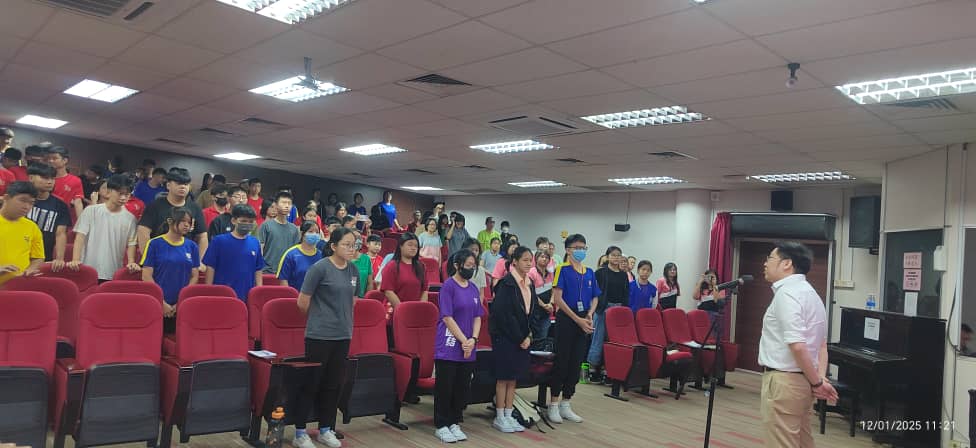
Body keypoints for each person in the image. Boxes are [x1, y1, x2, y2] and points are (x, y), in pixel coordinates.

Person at [759, 241, 838, 448]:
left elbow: (798, 346)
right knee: (803, 443)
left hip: (784, 382)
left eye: (769, 258)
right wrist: (819, 378)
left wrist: (818, 383)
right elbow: (821, 346)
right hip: (802, 383)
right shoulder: (812, 294)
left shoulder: (787, 294)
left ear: (787, 264)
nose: (765, 263)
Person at [294, 227, 361, 448]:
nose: (351, 249)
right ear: (333, 246)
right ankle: (300, 432)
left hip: (343, 335)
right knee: (311, 384)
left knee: (333, 385)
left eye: (354, 245)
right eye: (346, 245)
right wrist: (321, 319)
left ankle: (325, 429)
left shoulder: (353, 270)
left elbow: (353, 300)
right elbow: (302, 302)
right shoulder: (319, 268)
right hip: (319, 336)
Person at [432, 249, 484, 443]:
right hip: (450, 344)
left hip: (469, 345)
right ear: (457, 265)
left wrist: (473, 339)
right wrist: (464, 340)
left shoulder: (473, 288)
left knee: (462, 386)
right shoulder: (448, 286)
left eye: (473, 266)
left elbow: (478, 316)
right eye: (468, 265)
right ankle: (441, 424)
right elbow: (447, 317)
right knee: (445, 386)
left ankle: (454, 421)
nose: (471, 269)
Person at [548, 233, 599, 424]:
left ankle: (566, 402)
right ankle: (553, 403)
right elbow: (558, 299)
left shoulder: (590, 272)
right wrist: (577, 319)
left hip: (584, 319)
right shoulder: (561, 269)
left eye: (583, 248)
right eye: (577, 248)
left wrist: (589, 314)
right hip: (567, 319)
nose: (581, 251)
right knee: (562, 361)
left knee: (576, 362)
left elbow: (595, 296)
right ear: (568, 250)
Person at [490, 246, 535, 433]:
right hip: (506, 337)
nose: (529, 263)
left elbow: (531, 313)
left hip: (523, 337)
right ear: (514, 261)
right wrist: (519, 337)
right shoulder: (506, 283)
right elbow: (503, 315)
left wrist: (529, 335)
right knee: (503, 377)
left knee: (514, 377)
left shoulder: (530, 283)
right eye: (525, 260)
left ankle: (509, 414)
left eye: (530, 260)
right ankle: (500, 416)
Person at [141, 207, 200, 332]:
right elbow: (146, 275)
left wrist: (180, 302)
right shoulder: (154, 244)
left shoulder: (192, 246)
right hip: (157, 303)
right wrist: (162, 302)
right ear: (170, 221)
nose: (186, 225)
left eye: (189, 222)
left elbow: (194, 276)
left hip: (181, 305)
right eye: (183, 221)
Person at [70, 174, 139, 281]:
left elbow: (131, 244)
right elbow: (80, 237)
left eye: (127, 194)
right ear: (108, 192)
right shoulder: (91, 211)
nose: (123, 198)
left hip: (113, 270)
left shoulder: (130, 219)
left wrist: (131, 262)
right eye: (120, 193)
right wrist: (75, 259)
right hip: (88, 268)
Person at [137, 168, 208, 270]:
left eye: (186, 184)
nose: (183, 187)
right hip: (159, 259)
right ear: (168, 185)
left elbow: (203, 237)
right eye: (178, 183)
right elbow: (143, 232)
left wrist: (198, 262)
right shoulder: (155, 206)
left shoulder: (195, 208)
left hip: (184, 261)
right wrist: (149, 260)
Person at [203, 204, 265, 300]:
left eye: (250, 221)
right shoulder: (219, 241)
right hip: (221, 295)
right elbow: (210, 267)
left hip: (247, 295)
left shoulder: (255, 242)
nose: (247, 224)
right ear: (233, 221)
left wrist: (258, 292)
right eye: (243, 221)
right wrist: (209, 291)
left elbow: (258, 269)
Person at [588, 246, 630, 383]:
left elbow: (626, 293)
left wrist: (624, 309)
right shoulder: (600, 272)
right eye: (613, 255)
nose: (616, 257)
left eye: (618, 255)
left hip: (618, 309)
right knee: (598, 338)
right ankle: (593, 368)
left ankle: (608, 370)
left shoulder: (623, 274)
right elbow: (594, 292)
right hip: (602, 308)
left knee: (612, 341)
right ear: (607, 257)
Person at [25, 163, 69, 267]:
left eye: (52, 178)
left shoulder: (61, 205)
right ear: (31, 178)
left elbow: (60, 233)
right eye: (45, 178)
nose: (50, 182)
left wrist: (59, 258)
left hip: (43, 255)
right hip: (17, 252)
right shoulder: (20, 200)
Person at [0, 182, 44, 285]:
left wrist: (30, 270)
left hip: (19, 286)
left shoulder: (32, 227)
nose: (27, 207)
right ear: (6, 198)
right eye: (23, 200)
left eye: (31, 203)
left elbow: (38, 257)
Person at [380, 232, 428, 307]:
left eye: (416, 246)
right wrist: (403, 310)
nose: (413, 248)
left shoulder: (421, 266)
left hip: (415, 309)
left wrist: (420, 308)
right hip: (395, 309)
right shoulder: (391, 266)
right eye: (410, 245)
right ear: (400, 246)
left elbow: (424, 290)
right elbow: (388, 291)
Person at [259, 191, 301, 274]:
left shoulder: (294, 229)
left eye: (289, 203)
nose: (287, 206)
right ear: (276, 205)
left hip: (287, 272)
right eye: (283, 202)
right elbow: (260, 249)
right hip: (268, 271)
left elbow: (295, 252)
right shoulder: (266, 225)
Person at [277, 221, 324, 291]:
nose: (314, 234)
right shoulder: (290, 255)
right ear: (302, 234)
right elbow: (283, 280)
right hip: (295, 295)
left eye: (317, 232)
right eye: (310, 232)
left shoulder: (321, 255)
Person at [45, 146, 84, 223]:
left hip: (63, 219)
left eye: (54, 158)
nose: (50, 161)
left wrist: (81, 224)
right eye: (49, 158)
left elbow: (78, 203)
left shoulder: (75, 180)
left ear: (65, 160)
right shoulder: (44, 178)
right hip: (46, 216)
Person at [527, 250, 555, 339]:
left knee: (543, 336)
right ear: (536, 258)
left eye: (546, 257)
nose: (544, 259)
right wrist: (543, 305)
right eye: (542, 257)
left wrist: (551, 303)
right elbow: (531, 293)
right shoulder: (531, 272)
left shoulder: (550, 273)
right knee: (534, 337)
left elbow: (554, 289)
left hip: (547, 310)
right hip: (534, 310)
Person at [349, 230, 374, 297]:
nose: (358, 240)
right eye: (355, 237)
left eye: (359, 238)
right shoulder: (343, 259)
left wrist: (367, 299)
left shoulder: (366, 259)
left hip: (361, 299)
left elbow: (369, 283)